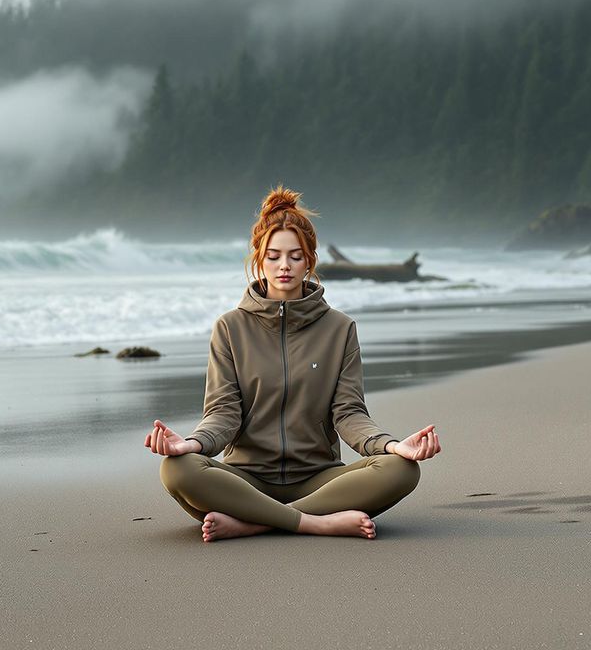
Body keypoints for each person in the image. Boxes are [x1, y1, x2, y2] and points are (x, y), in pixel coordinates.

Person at [144, 186, 442, 541]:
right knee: (176, 470)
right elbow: (224, 414)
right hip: (245, 481)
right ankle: (316, 523)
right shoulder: (230, 327)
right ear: (259, 259)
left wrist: (392, 446)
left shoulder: (340, 328)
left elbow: (349, 414)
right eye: (273, 256)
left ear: (309, 261)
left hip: (320, 480)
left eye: (295, 256)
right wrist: (190, 444)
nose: (284, 266)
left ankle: (255, 523)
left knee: (402, 470)